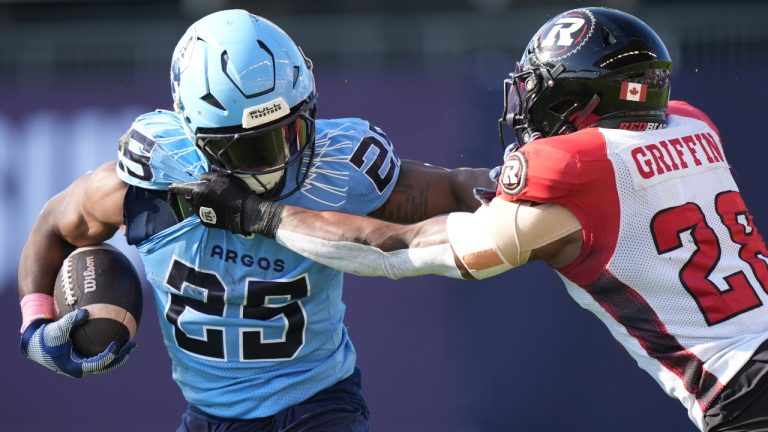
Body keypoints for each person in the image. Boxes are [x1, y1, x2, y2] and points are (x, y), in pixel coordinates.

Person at [171, 7, 768, 432]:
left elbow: (400, 251)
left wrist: (260, 214)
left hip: (743, 391)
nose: (529, 110)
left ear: (577, 101)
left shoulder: (573, 173)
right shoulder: (692, 125)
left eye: (542, 94)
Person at [17, 9, 492, 431]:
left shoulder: (337, 171)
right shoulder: (147, 188)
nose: (279, 160)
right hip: (207, 416)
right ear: (197, 136)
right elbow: (54, 224)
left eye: (291, 132)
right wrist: (35, 325)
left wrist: (513, 182)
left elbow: (451, 187)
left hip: (318, 406)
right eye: (251, 147)